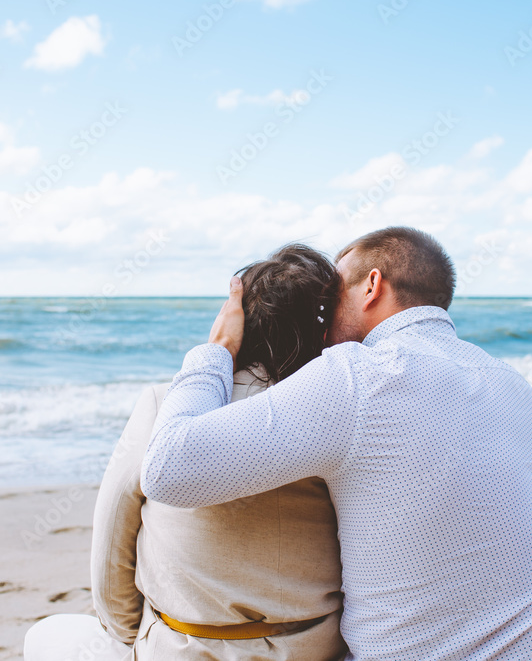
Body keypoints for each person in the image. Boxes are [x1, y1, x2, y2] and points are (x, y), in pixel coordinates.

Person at [142, 226, 532, 660]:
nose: (322, 319)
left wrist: (216, 349)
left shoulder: (357, 376)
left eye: (331, 297)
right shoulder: (513, 385)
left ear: (372, 285)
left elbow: (168, 470)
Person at [24, 244, 349, 660]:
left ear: (236, 321)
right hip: (311, 649)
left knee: (47, 635)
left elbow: (111, 536)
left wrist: (135, 635)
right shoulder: (340, 414)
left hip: (183, 646)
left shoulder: (165, 406)